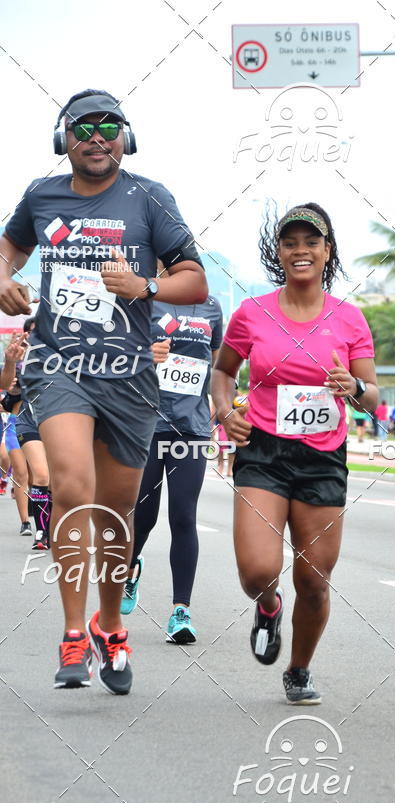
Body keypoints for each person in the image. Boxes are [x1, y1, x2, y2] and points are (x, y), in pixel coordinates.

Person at [0, 89, 207, 693]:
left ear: (126, 137)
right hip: (59, 363)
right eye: (83, 126)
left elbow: (192, 280)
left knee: (116, 513)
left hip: (128, 375)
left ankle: (109, 624)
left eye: (109, 125)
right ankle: (70, 633)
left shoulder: (149, 198)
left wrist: (141, 284)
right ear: (63, 139)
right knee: (70, 484)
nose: (97, 135)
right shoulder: (41, 196)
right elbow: (6, 250)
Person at [211, 203, 377, 704]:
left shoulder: (348, 319)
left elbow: (371, 395)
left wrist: (353, 386)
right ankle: (266, 604)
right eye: (290, 242)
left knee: (314, 579)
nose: (301, 250)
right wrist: (224, 411)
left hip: (323, 458)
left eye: (311, 242)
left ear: (327, 252)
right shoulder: (251, 313)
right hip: (263, 451)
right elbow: (222, 374)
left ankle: (299, 670)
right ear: (278, 252)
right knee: (258, 570)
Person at [121, 277, 223, 644]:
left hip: (192, 429)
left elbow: (218, 364)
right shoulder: (141, 300)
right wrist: (143, 357)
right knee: (143, 516)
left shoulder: (211, 305)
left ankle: (181, 611)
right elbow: (115, 356)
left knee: (183, 515)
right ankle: (130, 567)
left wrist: (224, 401)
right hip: (146, 425)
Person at [12, 316, 53, 551]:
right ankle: (40, 531)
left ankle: (51, 527)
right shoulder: (20, 358)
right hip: (29, 423)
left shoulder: (66, 355)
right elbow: (9, 385)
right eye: (33, 333)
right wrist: (12, 362)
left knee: (58, 484)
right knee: (41, 475)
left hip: (59, 425)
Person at [0, 331, 32, 535]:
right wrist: (11, 362)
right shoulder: (16, 370)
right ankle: (26, 523)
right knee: (20, 472)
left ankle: (45, 525)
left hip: (41, 424)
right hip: (14, 423)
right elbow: (5, 387)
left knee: (41, 477)